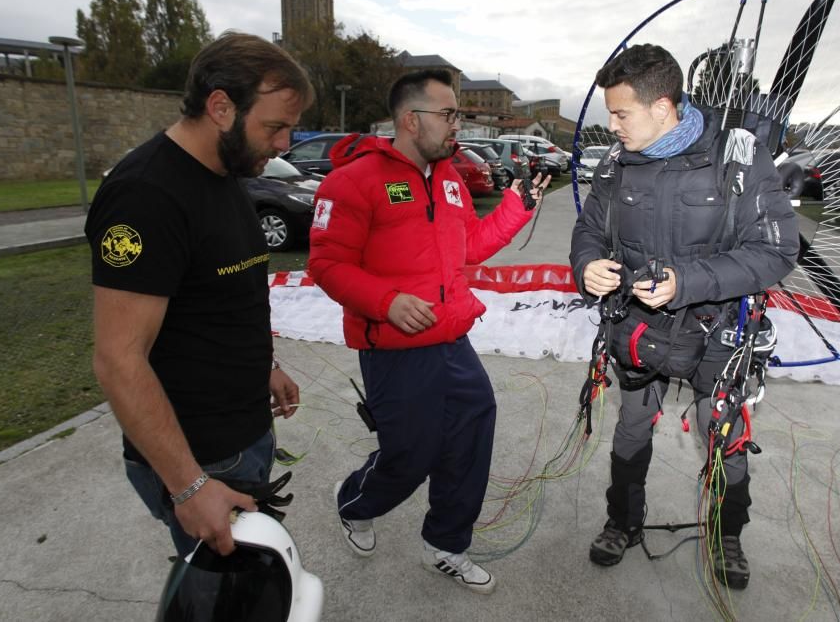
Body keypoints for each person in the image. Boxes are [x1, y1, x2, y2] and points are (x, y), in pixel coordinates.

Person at [307, 68, 549, 594]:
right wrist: (386, 303)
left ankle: (446, 544)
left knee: (470, 435)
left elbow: (471, 246)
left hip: (452, 341)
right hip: (394, 351)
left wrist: (518, 206)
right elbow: (326, 264)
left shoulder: (449, 178)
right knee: (409, 455)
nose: (457, 124)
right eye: (449, 114)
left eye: (458, 113)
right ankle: (354, 502)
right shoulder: (354, 181)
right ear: (411, 120)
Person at [569, 44, 798, 589]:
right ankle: (621, 521)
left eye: (621, 113)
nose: (613, 125)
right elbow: (589, 230)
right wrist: (587, 265)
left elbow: (776, 251)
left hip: (716, 334)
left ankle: (727, 536)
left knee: (725, 440)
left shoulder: (737, 156)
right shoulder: (616, 163)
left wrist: (686, 283)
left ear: (663, 108)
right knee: (629, 430)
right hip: (636, 330)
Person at [86, 31, 314, 557]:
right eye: (275, 127)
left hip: (243, 430)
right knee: (224, 600)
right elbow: (118, 359)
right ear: (220, 107)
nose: (284, 145)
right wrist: (188, 486)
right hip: (200, 457)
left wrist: (265, 364)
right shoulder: (145, 195)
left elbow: (223, 294)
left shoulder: (226, 173)